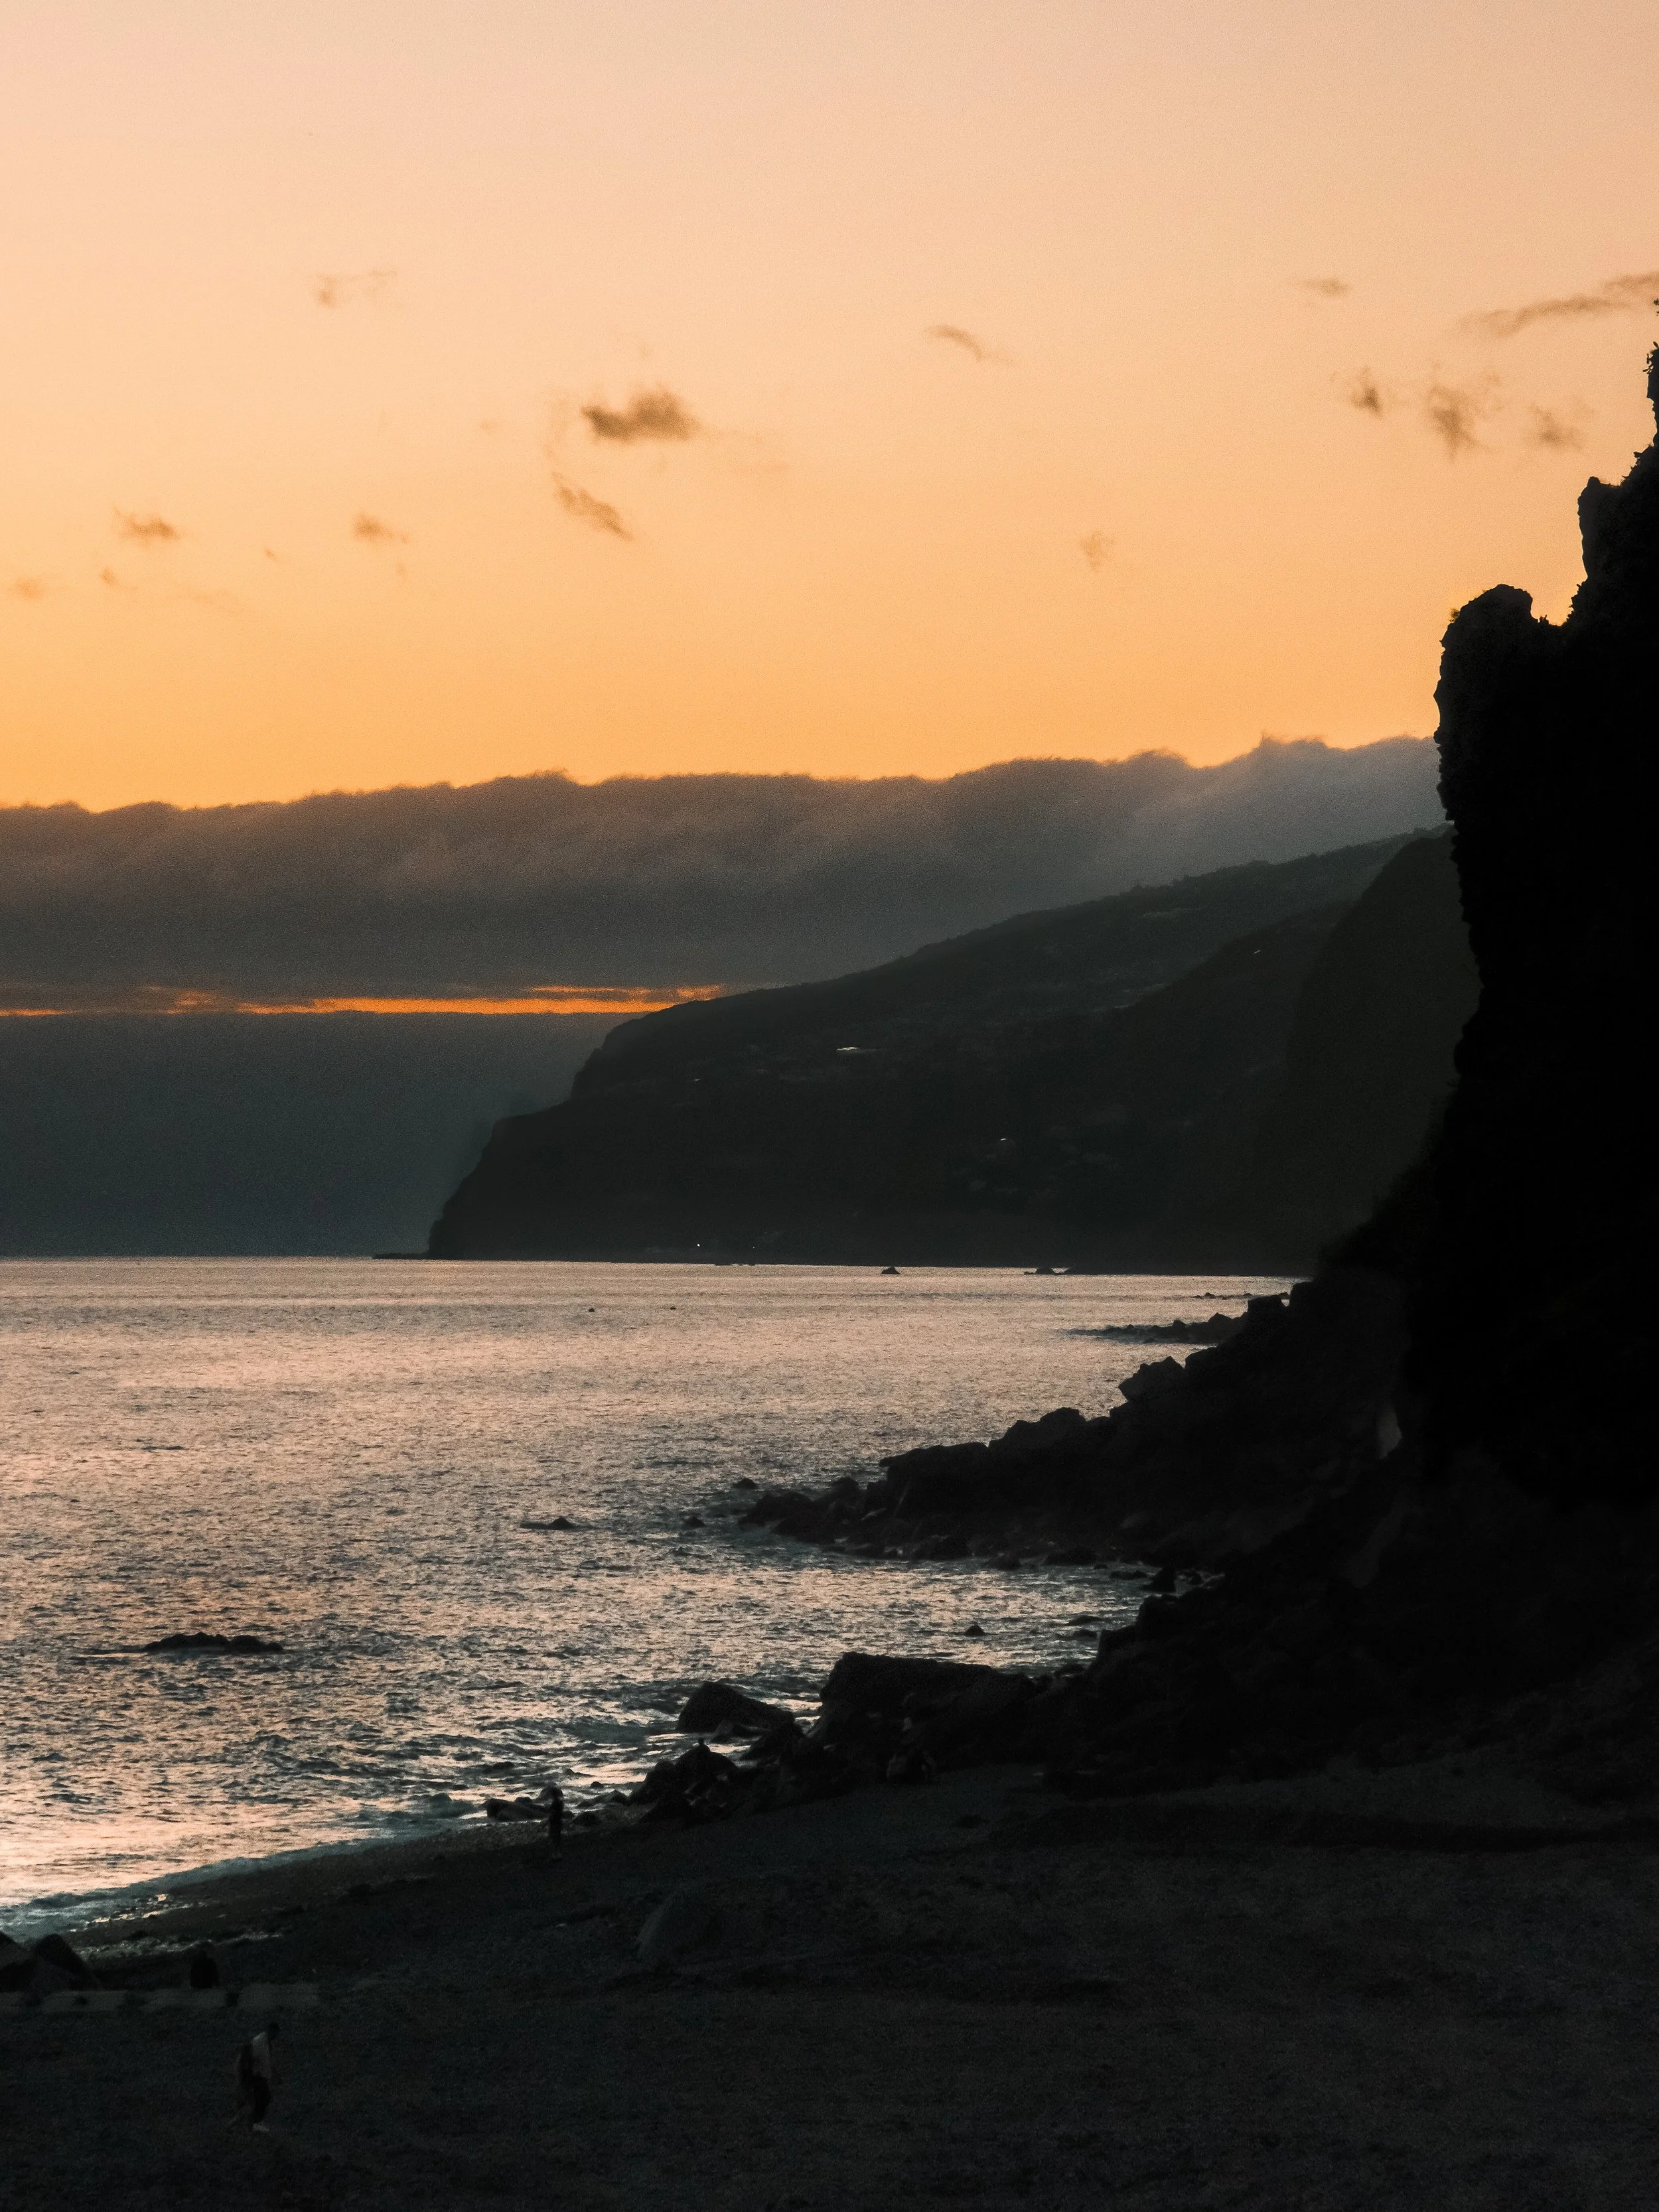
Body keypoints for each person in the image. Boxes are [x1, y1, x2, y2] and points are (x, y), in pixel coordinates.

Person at [228, 2021, 280, 2132]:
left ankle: (246, 2127)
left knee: (256, 2103)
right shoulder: (258, 2043)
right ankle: (237, 2125)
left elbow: (268, 2061)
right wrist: (250, 2077)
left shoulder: (266, 2043)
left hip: (257, 2078)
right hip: (255, 2079)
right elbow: (250, 2061)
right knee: (255, 2104)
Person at [543, 1781, 565, 1860]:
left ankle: (554, 1854)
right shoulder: (561, 1803)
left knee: (553, 1838)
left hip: (553, 1823)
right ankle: (558, 1854)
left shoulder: (554, 1804)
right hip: (559, 1822)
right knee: (558, 1838)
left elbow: (551, 1813)